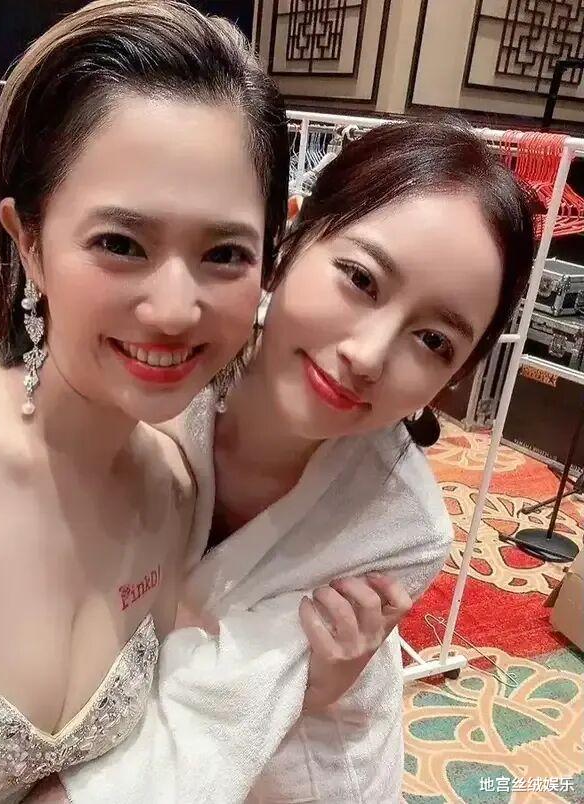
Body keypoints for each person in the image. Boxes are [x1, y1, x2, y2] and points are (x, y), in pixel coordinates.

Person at [54, 121, 536, 802]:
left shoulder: (400, 525)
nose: (367, 355)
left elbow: (223, 706)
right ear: (288, 242)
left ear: (452, 377)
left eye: (432, 341)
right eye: (361, 279)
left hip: (296, 772)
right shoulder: (169, 373)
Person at [0, 1, 291, 801]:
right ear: (29, 243)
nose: (174, 310)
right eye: (121, 244)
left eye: (225, 254)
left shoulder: (175, 493)